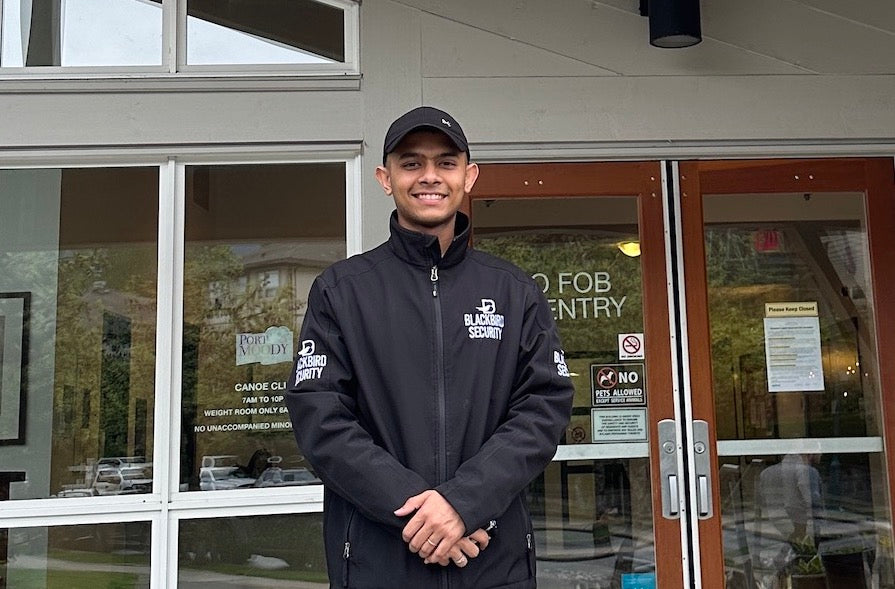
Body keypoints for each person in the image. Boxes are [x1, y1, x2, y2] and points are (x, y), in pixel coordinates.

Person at [286, 106, 574, 589]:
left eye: (445, 162)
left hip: (492, 560)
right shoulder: (341, 291)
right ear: (385, 177)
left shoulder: (514, 291)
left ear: (469, 176)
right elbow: (321, 418)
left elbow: (543, 410)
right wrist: (423, 516)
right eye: (411, 162)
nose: (429, 177)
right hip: (378, 564)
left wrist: (464, 504)